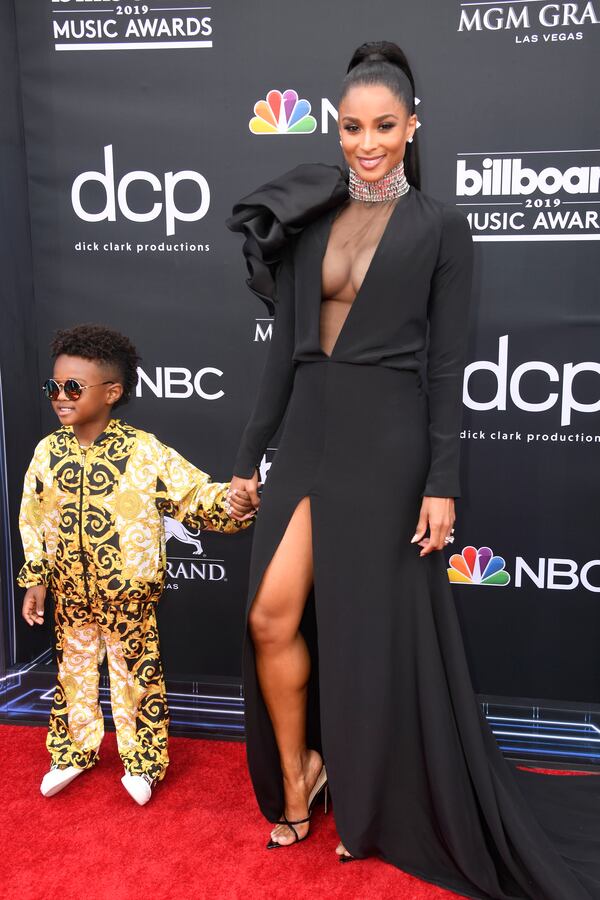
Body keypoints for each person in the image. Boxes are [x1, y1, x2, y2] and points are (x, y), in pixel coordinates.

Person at [227, 42, 600, 900]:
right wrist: (248, 459)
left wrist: (443, 482)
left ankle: (370, 803)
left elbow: (445, 370)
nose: (366, 143)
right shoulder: (310, 221)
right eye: (352, 126)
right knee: (270, 619)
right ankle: (300, 776)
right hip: (312, 428)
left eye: (384, 127)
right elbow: (282, 354)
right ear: (338, 126)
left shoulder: (441, 227)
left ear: (412, 127)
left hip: (390, 440)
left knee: (368, 638)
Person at [19, 324, 254, 805]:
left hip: (128, 595)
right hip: (70, 595)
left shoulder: (143, 452)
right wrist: (37, 578)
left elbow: (194, 496)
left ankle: (144, 763)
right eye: (53, 386)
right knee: (74, 672)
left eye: (72, 388)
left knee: (137, 678)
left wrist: (234, 502)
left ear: (112, 392)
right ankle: (72, 752)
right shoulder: (48, 451)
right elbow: (34, 518)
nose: (59, 397)